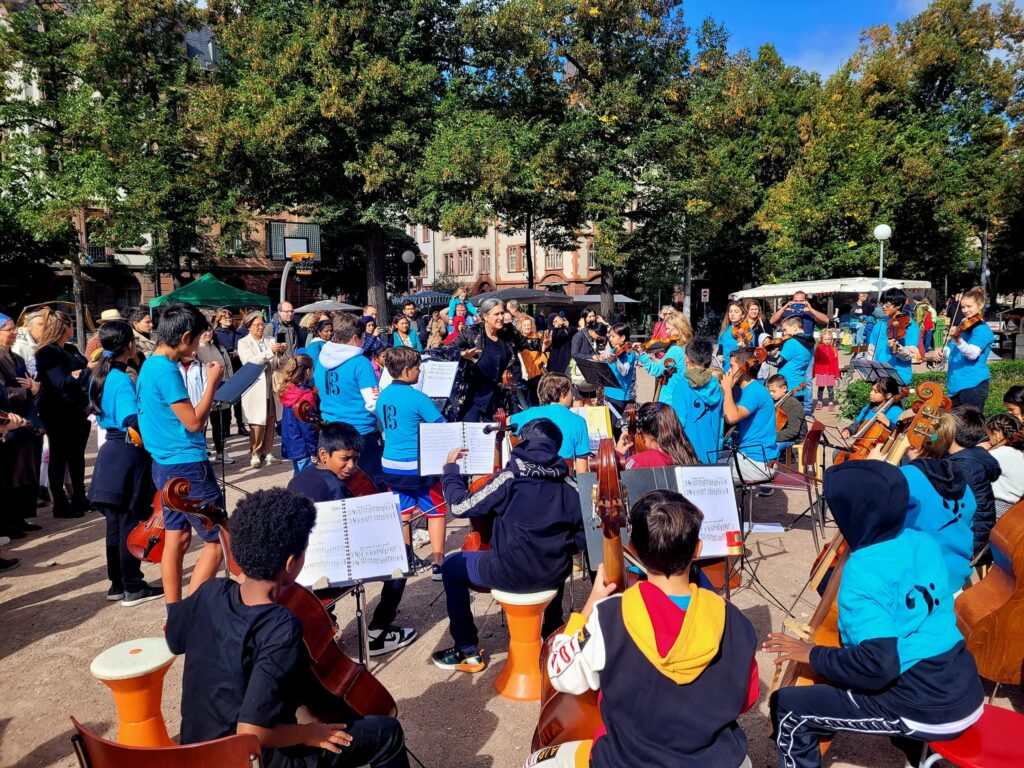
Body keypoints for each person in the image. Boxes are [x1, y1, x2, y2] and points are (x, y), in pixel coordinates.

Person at [165, 488, 410, 767]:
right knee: (388, 733)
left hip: (196, 749)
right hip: (249, 758)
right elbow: (251, 733)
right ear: (291, 563)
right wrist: (309, 733)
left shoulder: (211, 591)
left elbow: (174, 638)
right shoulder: (281, 624)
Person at [765, 461, 984, 768]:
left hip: (927, 708)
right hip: (965, 688)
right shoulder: (922, 541)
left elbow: (878, 665)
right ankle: (916, 753)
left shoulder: (864, 569)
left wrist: (812, 653)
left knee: (789, 707)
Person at [526, 490, 758, 768]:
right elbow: (747, 700)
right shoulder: (733, 620)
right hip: (718, 762)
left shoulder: (609, 617)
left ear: (633, 550)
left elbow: (561, 674)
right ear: (697, 549)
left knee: (536, 762)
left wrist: (588, 607)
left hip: (627, 761)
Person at [433, 418, 584, 672]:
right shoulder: (571, 486)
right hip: (552, 575)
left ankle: (467, 651)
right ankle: (551, 631)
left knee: (450, 567)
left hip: (508, 574)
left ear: (523, 442)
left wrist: (450, 470)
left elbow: (459, 506)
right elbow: (580, 541)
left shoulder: (510, 477)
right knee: (554, 554)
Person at [288, 424, 418, 657]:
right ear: (324, 455)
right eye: (345, 459)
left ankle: (327, 618)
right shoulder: (337, 488)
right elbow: (350, 534)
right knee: (402, 554)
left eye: (355, 459)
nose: (351, 467)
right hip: (330, 568)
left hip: (301, 569)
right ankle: (378, 631)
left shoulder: (299, 478)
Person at [136, 303, 224, 604]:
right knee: (218, 541)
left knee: (177, 537)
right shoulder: (166, 370)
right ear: (185, 337)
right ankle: (189, 614)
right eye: (197, 340)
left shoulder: (151, 363)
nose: (198, 346)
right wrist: (212, 383)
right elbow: (194, 422)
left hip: (164, 464)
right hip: (186, 465)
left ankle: (173, 610)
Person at [86, 321, 163, 607]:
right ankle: (132, 586)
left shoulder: (100, 373)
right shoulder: (121, 378)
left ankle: (117, 584)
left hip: (110, 452)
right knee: (129, 523)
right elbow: (132, 420)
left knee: (115, 527)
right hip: (127, 452)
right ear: (129, 345)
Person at [375, 346, 447, 579]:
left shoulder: (383, 395)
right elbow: (441, 426)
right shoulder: (418, 397)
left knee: (404, 512)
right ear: (406, 370)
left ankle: (407, 560)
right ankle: (438, 562)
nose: (419, 372)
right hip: (418, 466)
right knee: (436, 510)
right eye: (417, 368)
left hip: (391, 464)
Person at [893, 412, 976, 592]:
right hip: (954, 578)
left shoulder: (905, 478)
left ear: (914, 440)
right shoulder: (963, 484)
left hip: (916, 581)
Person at [434, 297, 549, 422]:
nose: (501, 317)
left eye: (502, 313)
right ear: (485, 316)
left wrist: (542, 344)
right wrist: (462, 354)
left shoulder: (508, 331)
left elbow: (525, 342)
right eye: (496, 314)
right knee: (471, 430)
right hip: (473, 397)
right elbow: (446, 350)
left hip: (499, 398)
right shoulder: (471, 332)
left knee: (498, 431)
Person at [34, 310, 91, 518]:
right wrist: (84, 372)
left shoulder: (70, 349)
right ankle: (60, 503)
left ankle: (79, 497)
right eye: (71, 324)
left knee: (77, 456)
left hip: (77, 410)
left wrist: (80, 374)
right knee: (59, 456)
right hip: (57, 411)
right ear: (64, 327)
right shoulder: (47, 352)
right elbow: (61, 382)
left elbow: (79, 373)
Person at [313, 313, 384, 481]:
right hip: (360, 433)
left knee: (334, 483)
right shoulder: (360, 363)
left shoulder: (321, 360)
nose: (364, 341)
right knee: (371, 484)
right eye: (363, 337)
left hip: (330, 431)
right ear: (354, 338)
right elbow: (373, 402)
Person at [0, 313, 41, 539]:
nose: (14, 332)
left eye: (14, 328)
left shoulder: (16, 357)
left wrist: (35, 387)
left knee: (24, 472)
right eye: (8, 329)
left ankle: (20, 517)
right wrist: (27, 391)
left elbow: (29, 381)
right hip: (7, 422)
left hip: (25, 420)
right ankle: (8, 523)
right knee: (10, 475)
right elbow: (4, 391)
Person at [509, 372, 592, 474]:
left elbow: (506, 422)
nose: (573, 396)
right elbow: (582, 470)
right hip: (562, 478)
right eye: (571, 391)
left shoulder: (531, 413)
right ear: (562, 394)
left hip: (532, 474)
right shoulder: (579, 422)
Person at [948, 405, 1002, 561]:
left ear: (950, 432)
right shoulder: (972, 457)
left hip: (970, 540)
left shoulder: (962, 466)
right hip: (978, 533)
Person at [721, 348, 777, 485]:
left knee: (705, 471)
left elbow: (732, 417)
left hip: (757, 463)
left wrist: (727, 389)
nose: (728, 371)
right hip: (750, 456)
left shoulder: (754, 391)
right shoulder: (749, 389)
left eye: (732, 366)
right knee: (709, 458)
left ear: (743, 369)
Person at [238, 310, 286, 468]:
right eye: (257, 325)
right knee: (257, 423)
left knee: (271, 419)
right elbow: (250, 362)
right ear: (249, 326)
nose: (261, 327)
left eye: (262, 324)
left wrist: (281, 353)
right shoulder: (243, 342)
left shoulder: (270, 340)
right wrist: (270, 352)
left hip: (271, 385)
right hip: (255, 387)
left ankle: (268, 451)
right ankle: (255, 453)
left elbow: (279, 364)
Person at [934, 287, 993, 411]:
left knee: (969, 422)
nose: (965, 310)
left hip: (973, 384)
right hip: (955, 384)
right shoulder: (964, 328)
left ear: (980, 305)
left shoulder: (982, 330)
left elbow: (972, 354)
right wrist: (941, 352)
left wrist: (958, 339)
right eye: (963, 307)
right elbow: (950, 351)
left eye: (969, 306)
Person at [669, 337, 724, 464]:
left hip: (688, 456)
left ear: (686, 359)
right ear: (709, 360)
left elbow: (678, 425)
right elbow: (720, 425)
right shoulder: (716, 386)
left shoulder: (682, 386)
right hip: (712, 455)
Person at [615, 402, 698, 469]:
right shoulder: (688, 455)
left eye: (640, 432)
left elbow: (621, 482)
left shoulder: (638, 462)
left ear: (646, 433)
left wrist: (617, 457)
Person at [197, 327, 235, 465]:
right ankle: (202, 452)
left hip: (221, 388)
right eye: (204, 331)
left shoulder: (217, 346)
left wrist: (230, 383)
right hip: (204, 390)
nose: (208, 333)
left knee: (219, 421)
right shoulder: (196, 348)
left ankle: (221, 451)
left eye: (210, 330)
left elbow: (227, 365)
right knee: (202, 423)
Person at [277, 354, 319, 476]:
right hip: (304, 447)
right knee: (307, 478)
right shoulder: (305, 396)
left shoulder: (289, 390)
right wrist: (314, 450)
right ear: (308, 371)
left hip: (292, 443)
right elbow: (308, 428)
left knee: (298, 475)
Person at [867, 288, 919, 386]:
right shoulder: (879, 325)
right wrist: (869, 371)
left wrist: (898, 348)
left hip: (899, 377)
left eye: (887, 304)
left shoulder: (910, 326)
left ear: (899, 305)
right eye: (882, 303)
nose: (883, 307)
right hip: (879, 376)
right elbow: (871, 350)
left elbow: (910, 354)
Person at [637, 309, 691, 404]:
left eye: (669, 329)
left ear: (679, 329)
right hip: (682, 397)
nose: (666, 332)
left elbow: (657, 370)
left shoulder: (675, 350)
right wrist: (654, 358)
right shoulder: (687, 347)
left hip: (670, 399)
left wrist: (642, 355)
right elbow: (672, 367)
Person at [213, 309, 248, 436]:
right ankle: (226, 427)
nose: (228, 319)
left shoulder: (238, 333)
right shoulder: (216, 334)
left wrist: (238, 352)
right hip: (225, 370)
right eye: (225, 318)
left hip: (238, 367)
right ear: (219, 320)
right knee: (225, 400)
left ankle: (241, 425)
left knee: (239, 400)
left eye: (229, 317)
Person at [840, 377, 904, 441]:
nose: (871, 393)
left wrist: (888, 423)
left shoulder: (897, 412)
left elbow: (901, 433)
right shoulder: (868, 407)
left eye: (875, 391)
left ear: (888, 395)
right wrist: (848, 430)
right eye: (872, 390)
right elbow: (857, 424)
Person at [985, 414, 1024, 518]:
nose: (988, 440)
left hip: (992, 508)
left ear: (997, 434)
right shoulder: (1020, 453)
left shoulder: (998, 454)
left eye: (988, 436)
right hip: (1012, 511)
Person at [773, 316, 814, 414]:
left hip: (788, 386)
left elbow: (777, 362)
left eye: (785, 329)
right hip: (800, 386)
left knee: (785, 417)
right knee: (798, 416)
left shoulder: (792, 342)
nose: (784, 333)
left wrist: (765, 357)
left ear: (795, 328)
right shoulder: (810, 342)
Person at [767, 373, 805, 454]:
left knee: (768, 447)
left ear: (784, 388)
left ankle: (772, 461)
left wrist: (771, 437)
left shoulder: (793, 405)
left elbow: (793, 431)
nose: (771, 394)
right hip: (777, 435)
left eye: (773, 391)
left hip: (793, 439)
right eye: (769, 391)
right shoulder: (774, 401)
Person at [602, 323, 635, 415]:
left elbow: (624, 371)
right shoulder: (614, 350)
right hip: (608, 391)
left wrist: (616, 360)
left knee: (612, 422)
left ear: (623, 338)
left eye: (613, 336)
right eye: (610, 336)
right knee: (608, 422)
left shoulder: (629, 353)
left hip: (619, 395)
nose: (610, 339)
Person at [516, 315, 547, 407]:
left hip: (536, 372)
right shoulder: (518, 339)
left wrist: (541, 361)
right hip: (523, 374)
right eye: (525, 325)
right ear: (521, 327)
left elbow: (545, 351)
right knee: (524, 399)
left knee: (536, 398)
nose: (527, 327)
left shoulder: (538, 336)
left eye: (529, 325)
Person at [12, 307, 47, 378]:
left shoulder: (49, 344)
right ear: (29, 327)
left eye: (46, 324)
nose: (44, 327)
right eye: (40, 324)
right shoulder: (19, 346)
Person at [717, 302, 749, 372]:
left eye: (736, 312)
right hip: (724, 367)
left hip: (739, 367)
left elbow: (750, 350)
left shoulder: (746, 330)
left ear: (743, 315)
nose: (732, 314)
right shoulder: (725, 330)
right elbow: (720, 348)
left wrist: (743, 347)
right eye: (730, 311)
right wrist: (718, 355)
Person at [811, 329, 839, 411]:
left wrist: (836, 374)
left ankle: (831, 402)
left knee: (830, 388)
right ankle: (819, 401)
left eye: (829, 339)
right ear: (821, 339)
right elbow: (816, 361)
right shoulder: (819, 348)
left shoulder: (833, 349)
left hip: (830, 372)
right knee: (821, 388)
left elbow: (836, 362)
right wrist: (814, 372)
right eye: (825, 339)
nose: (827, 341)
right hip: (821, 372)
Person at [127, 308, 155, 374]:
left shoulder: (154, 336)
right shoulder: (132, 340)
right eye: (147, 322)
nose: (151, 325)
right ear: (135, 323)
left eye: (151, 322)